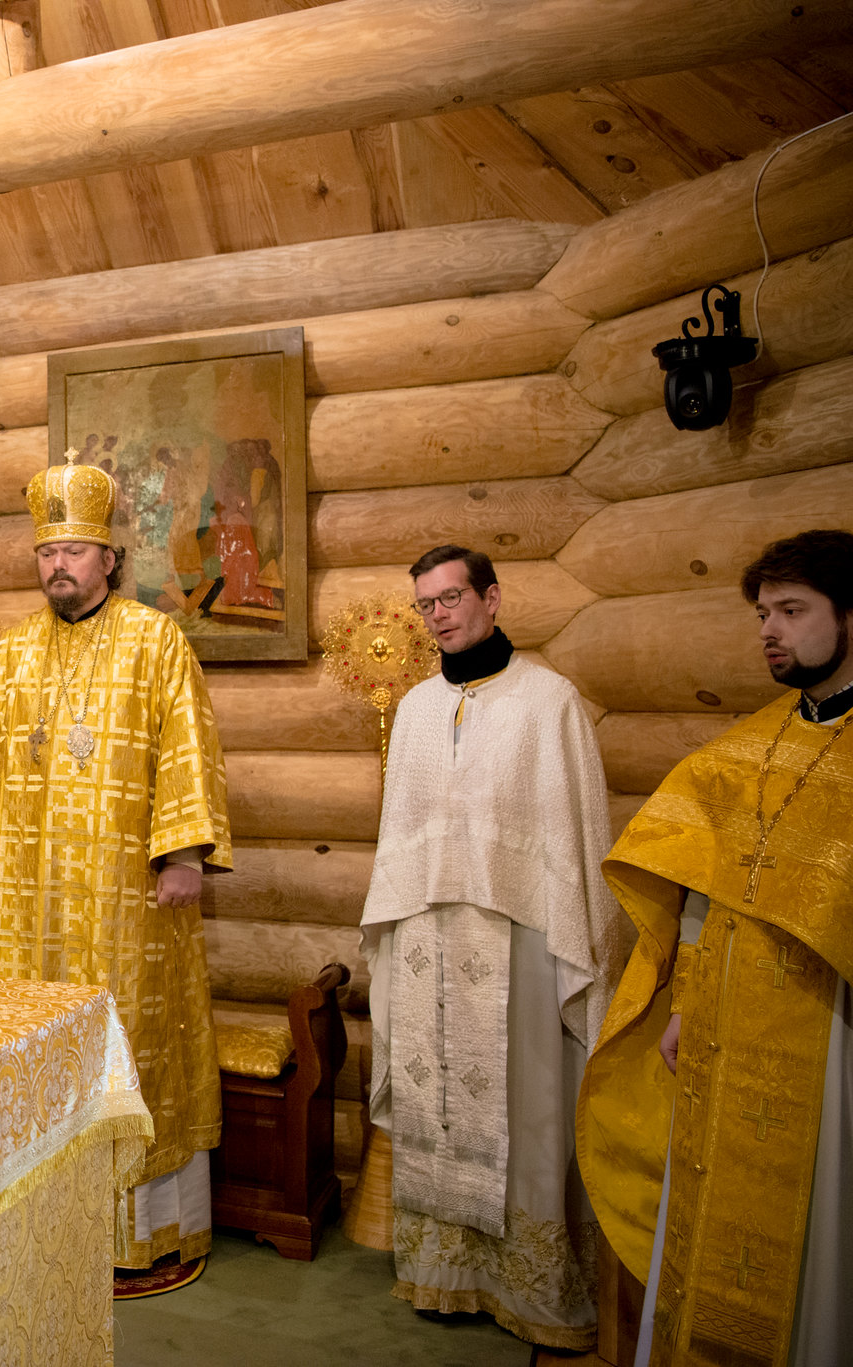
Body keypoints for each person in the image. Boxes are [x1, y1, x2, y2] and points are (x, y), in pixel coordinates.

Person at [0, 449, 233, 1287]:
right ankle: (42, 1228)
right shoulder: (9, 653)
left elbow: (187, 747)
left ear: (108, 557)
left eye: (72, 550)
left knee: (130, 1043)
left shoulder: (155, 640)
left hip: (127, 894)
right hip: (27, 897)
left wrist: (183, 853)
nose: (57, 565)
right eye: (46, 552)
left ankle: (141, 1234)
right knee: (30, 1043)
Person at [581, 529, 853, 1366]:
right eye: (763, 613)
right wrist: (686, 1005)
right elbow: (699, 895)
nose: (770, 629)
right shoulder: (742, 750)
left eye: (792, 610)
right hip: (723, 1035)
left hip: (831, 1041)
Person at [360, 543, 630, 1350]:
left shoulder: (549, 701)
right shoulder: (415, 708)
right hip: (424, 936)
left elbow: (575, 830)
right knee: (434, 1100)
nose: (438, 615)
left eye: (451, 597)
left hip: (521, 934)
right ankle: (446, 1273)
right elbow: (403, 827)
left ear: (492, 598)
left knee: (526, 1102)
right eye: (426, 604)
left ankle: (530, 1287)